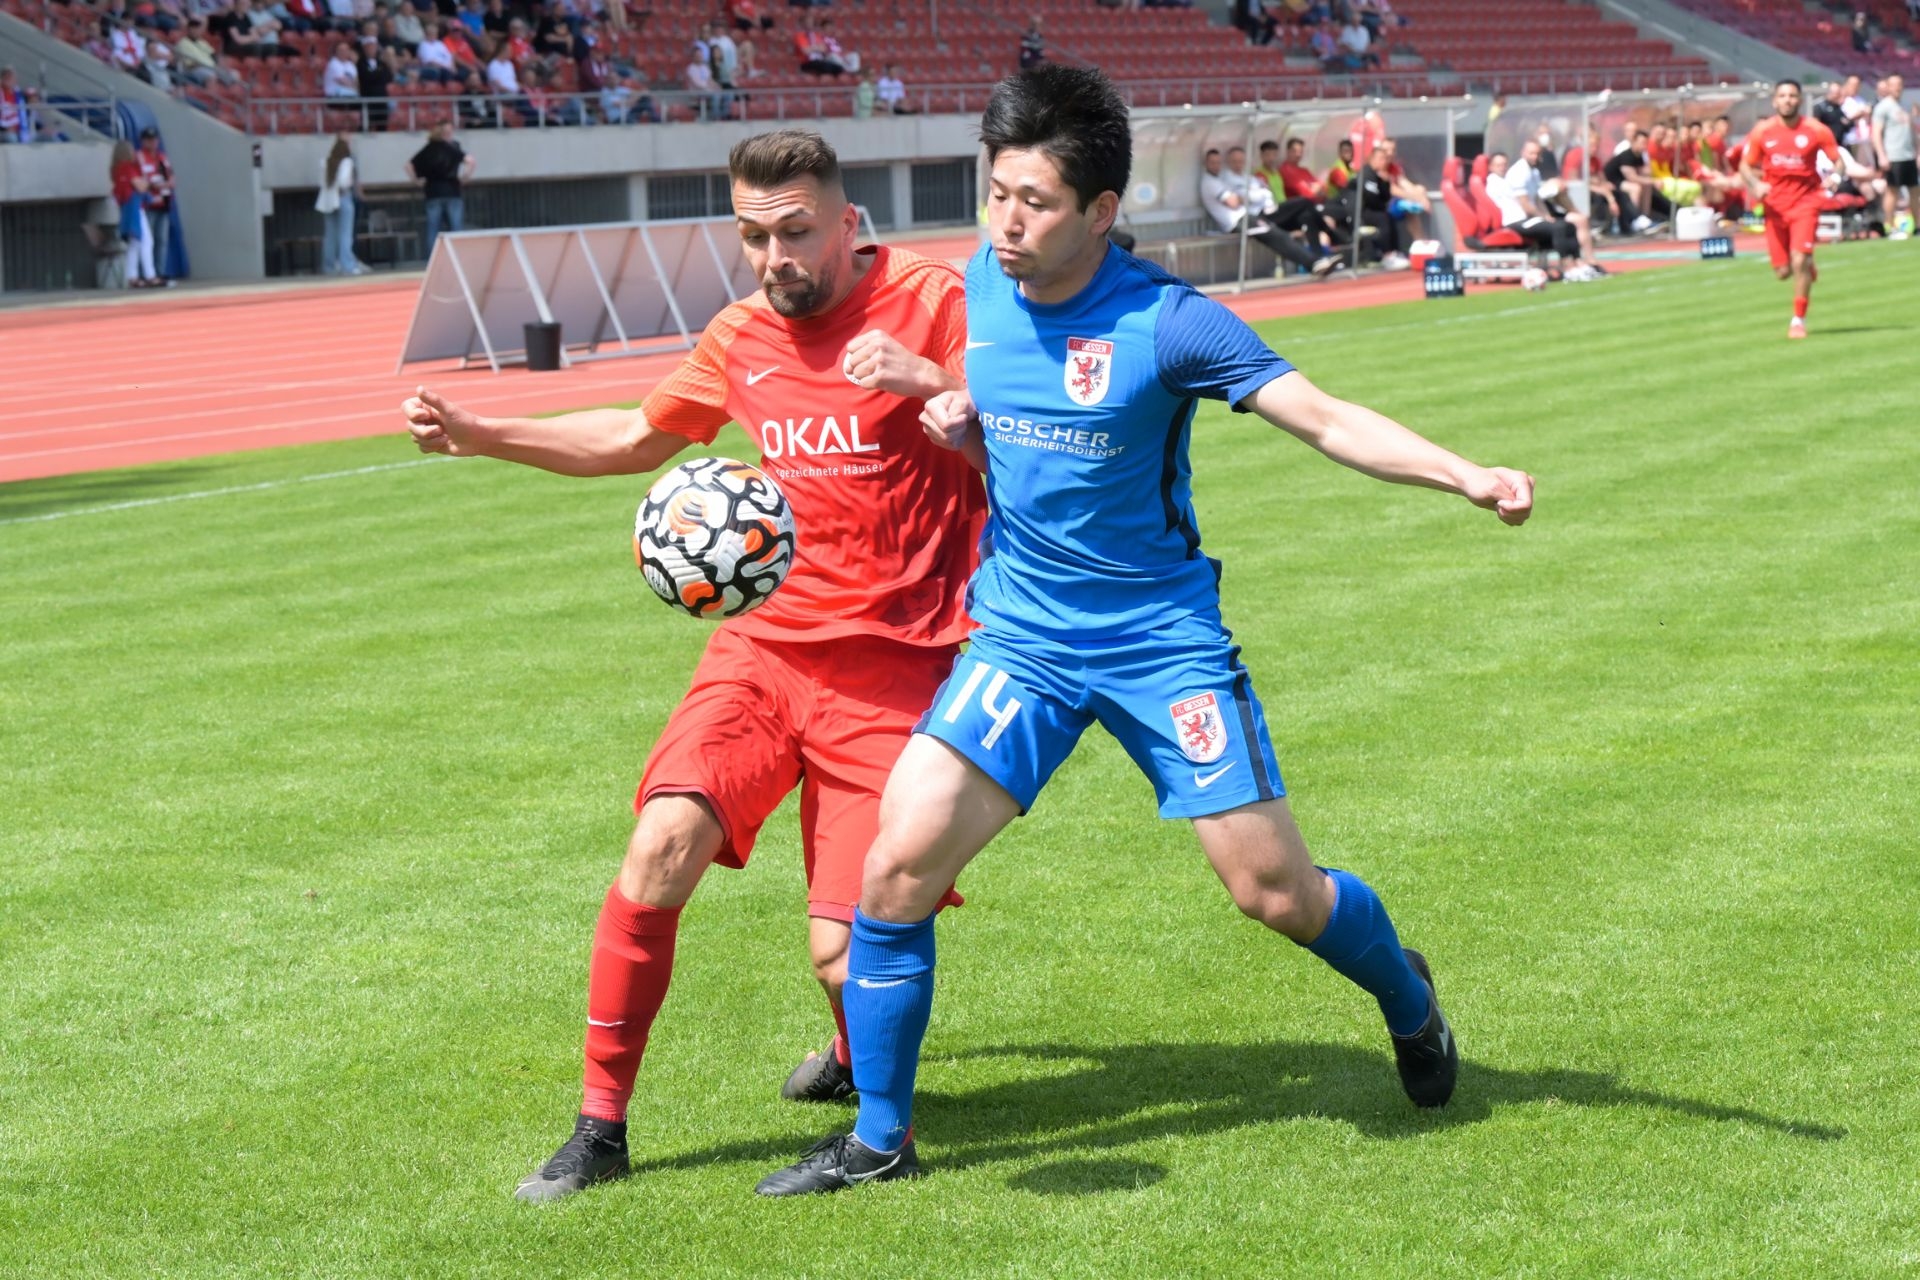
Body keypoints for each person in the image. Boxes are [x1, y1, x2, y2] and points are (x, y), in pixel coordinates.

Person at [755, 64, 1534, 1198]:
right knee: (897, 864)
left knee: (1274, 893)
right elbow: (1006, 408)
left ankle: (1408, 996)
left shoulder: (1169, 322)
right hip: (1022, 638)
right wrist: (957, 406)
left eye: (1036, 202)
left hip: (1159, 641)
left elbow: (1321, 417)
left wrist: (1465, 473)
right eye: (996, 193)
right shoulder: (983, 281)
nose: (1006, 223)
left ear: (1102, 211)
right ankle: (881, 1139)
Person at [402, 128, 986, 1204]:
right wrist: (484, 433)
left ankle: (861, 1069)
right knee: (660, 845)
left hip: (897, 664)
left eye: (796, 231)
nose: (775, 257)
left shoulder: (935, 303)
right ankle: (599, 1128)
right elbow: (635, 438)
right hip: (761, 652)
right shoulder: (740, 333)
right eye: (754, 236)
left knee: (842, 952)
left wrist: (939, 387)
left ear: (849, 222)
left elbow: (1036, 426)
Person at [1740, 78, 1844, 338]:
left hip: (1805, 203)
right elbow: (1745, 166)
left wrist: (1835, 177)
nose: (1787, 100)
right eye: (1783, 96)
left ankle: (1798, 320)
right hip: (1774, 206)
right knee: (1783, 272)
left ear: (1800, 100)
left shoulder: (1816, 130)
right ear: (1775, 101)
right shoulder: (1762, 131)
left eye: (1792, 96)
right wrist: (1755, 184)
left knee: (1799, 260)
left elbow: (1838, 160)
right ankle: (1806, 265)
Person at [1199, 146, 1337, 277]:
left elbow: (1255, 193)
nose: (1216, 166)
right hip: (1239, 221)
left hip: (1247, 217)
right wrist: (1249, 195)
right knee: (1279, 236)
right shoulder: (1211, 182)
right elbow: (1233, 202)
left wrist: (1245, 196)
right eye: (1212, 163)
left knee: (1301, 219)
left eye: (1218, 162)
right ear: (1206, 163)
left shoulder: (1224, 179)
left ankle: (1317, 260)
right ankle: (1314, 262)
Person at [1485, 151, 1601, 281]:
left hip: (1526, 219)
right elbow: (1524, 200)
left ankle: (1578, 262)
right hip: (1514, 222)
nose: (1502, 168)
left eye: (1504, 164)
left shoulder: (1507, 180)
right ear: (1491, 167)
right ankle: (1568, 267)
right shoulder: (1494, 182)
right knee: (1558, 227)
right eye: (1498, 165)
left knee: (1568, 225)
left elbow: (1532, 196)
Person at [407, 118, 475, 255]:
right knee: (456, 227)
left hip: (433, 192)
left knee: (433, 229)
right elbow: (471, 161)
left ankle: (433, 258)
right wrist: (465, 177)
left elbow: (409, 165)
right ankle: (458, 257)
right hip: (452, 190)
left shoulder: (429, 148)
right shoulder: (453, 147)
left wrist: (416, 180)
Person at [316, 131, 368, 275]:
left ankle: (329, 266)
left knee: (330, 235)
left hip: (328, 199)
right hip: (343, 197)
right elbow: (344, 182)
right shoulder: (347, 162)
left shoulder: (325, 161)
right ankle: (347, 265)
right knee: (345, 234)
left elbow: (321, 182)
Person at [1870, 74, 1915, 239]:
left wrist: (1917, 152)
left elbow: (1912, 131)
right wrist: (1882, 155)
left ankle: (1917, 226)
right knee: (1892, 192)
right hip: (1893, 155)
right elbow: (1876, 133)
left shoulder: (1906, 105)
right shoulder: (1883, 107)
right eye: (1894, 84)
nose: (1897, 87)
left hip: (1908, 155)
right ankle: (1889, 226)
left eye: (1899, 84)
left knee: (1915, 191)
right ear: (1888, 87)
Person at [110, 138, 157, 288]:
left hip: (125, 207)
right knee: (146, 241)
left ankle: (132, 276)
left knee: (134, 243)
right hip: (134, 208)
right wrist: (148, 182)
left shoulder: (116, 169)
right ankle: (150, 275)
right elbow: (140, 186)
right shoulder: (127, 167)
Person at [136, 128, 175, 285]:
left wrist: (165, 184)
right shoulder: (140, 157)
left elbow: (172, 178)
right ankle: (145, 274)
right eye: (149, 140)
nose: (153, 142)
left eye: (154, 139)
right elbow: (140, 180)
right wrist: (153, 185)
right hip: (148, 204)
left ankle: (159, 272)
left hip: (163, 203)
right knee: (147, 241)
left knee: (161, 240)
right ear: (143, 141)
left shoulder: (162, 157)